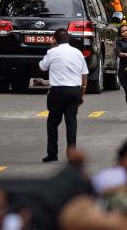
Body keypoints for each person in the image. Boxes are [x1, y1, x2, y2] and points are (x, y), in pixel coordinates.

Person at [39, 28, 88, 162]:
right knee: (71, 122)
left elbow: (42, 67)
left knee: (53, 122)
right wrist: (81, 94)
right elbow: (84, 75)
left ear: (55, 39)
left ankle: (52, 153)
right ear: (68, 39)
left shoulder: (52, 52)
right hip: (74, 91)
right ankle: (72, 154)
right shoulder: (78, 53)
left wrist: (51, 48)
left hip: (58, 92)